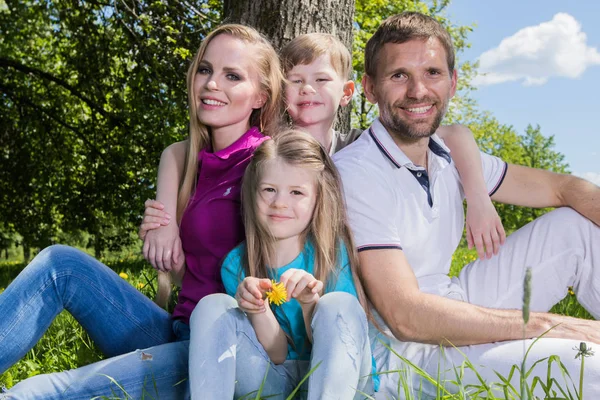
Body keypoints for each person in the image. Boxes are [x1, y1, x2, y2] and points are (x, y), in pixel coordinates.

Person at [0, 23, 284, 399]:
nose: (212, 83)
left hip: (221, 349)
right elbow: (188, 272)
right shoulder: (189, 161)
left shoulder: (266, 163)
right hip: (176, 329)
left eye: (232, 76)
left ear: (260, 97)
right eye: (205, 69)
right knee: (60, 264)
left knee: (34, 394)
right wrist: (165, 244)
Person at [333, 11, 600, 398]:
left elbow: (566, 189)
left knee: (575, 230)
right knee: (584, 364)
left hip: (457, 300)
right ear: (370, 88)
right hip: (405, 357)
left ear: (453, 82)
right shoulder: (356, 171)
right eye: (399, 75)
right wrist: (544, 325)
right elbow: (404, 315)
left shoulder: (445, 152)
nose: (418, 90)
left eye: (432, 73)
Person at [140, 32, 505, 286]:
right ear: (279, 92)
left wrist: (478, 198)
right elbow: (186, 152)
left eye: (320, 80)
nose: (308, 90)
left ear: (347, 92)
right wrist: (166, 218)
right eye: (295, 81)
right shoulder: (269, 152)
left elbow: (454, 134)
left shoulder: (360, 147)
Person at [188, 129, 375, 398]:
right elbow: (276, 355)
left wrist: (311, 304)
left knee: (338, 304)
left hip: (342, 383)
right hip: (275, 382)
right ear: (253, 194)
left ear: (318, 199)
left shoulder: (332, 253)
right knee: (212, 306)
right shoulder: (236, 265)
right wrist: (258, 309)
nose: (280, 203)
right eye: (269, 190)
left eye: (297, 192)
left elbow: (342, 339)